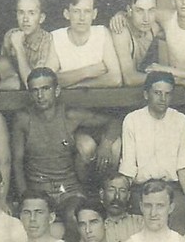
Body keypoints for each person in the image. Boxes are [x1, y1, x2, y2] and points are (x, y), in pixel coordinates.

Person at [12, 67, 121, 213]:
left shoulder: (70, 116)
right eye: (35, 90)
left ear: (56, 91)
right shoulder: (24, 120)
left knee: (72, 216)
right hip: (38, 190)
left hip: (69, 190)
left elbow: (114, 122)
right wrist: (23, 196)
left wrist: (106, 145)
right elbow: (17, 162)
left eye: (45, 89)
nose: (40, 95)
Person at [118, 71, 185, 233]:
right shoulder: (132, 120)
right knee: (139, 228)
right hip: (142, 188)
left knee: (180, 218)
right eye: (157, 93)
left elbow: (183, 164)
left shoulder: (180, 120)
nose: (162, 98)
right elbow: (128, 166)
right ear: (146, 94)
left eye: (167, 94)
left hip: (171, 187)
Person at [52, 0, 123, 88]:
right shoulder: (56, 37)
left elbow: (115, 79)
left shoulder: (102, 33)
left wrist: (79, 86)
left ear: (94, 14)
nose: (82, 18)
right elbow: (49, 80)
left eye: (87, 11)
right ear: (67, 14)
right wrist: (87, 72)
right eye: (76, 11)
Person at [1, 0, 60, 86]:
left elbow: (34, 85)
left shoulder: (48, 41)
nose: (25, 19)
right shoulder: (10, 35)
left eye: (31, 13)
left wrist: (19, 48)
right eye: (21, 13)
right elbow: (4, 74)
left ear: (41, 18)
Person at [111, 0, 163, 87]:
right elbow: (130, 79)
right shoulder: (121, 31)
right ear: (129, 11)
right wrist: (169, 79)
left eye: (151, 10)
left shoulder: (154, 28)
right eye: (139, 11)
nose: (146, 18)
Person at [100, 172, 144, 242]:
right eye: (111, 190)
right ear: (102, 194)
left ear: (128, 196)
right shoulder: (94, 225)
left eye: (122, 191)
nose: (117, 196)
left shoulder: (140, 223)